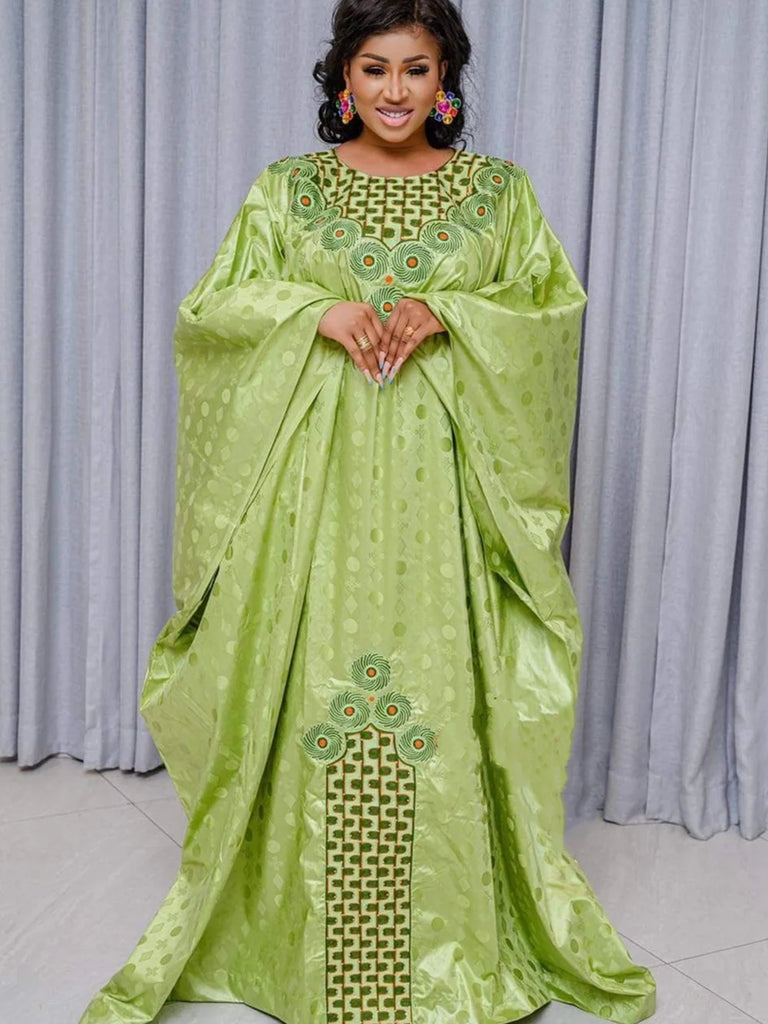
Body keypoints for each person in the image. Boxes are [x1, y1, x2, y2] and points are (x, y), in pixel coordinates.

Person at [78, 1, 657, 1022]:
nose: (396, 91)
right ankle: (306, 947)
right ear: (342, 77)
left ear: (447, 81)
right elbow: (212, 315)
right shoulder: (287, 193)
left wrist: (452, 313)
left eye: (417, 69)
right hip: (314, 499)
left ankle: (444, 945)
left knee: (441, 688)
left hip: (447, 497)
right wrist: (316, 311)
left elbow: (548, 315)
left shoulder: (499, 195)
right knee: (314, 690)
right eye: (376, 68)